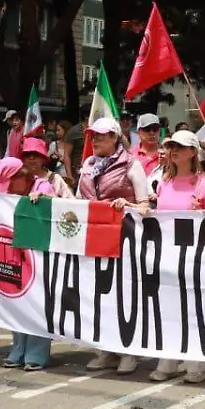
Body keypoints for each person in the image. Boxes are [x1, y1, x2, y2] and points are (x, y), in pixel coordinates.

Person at [78, 117, 151, 375]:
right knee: (100, 296)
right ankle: (106, 349)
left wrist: (127, 205)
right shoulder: (88, 164)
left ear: (115, 138)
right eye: (93, 136)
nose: (95, 140)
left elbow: (145, 206)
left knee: (125, 297)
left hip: (125, 243)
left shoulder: (132, 165)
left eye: (101, 135)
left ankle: (129, 351)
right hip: (94, 242)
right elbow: (79, 201)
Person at [148, 131, 205, 383]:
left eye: (179, 146)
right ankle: (168, 359)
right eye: (170, 146)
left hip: (193, 258)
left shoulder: (204, 185)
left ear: (192, 152)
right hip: (166, 256)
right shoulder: (163, 183)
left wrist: (203, 215)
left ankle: (197, 362)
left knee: (192, 310)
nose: (173, 151)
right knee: (168, 308)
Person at [0, 158, 58, 369]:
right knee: (17, 300)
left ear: (22, 176)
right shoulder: (8, 193)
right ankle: (18, 347)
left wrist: (45, 198)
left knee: (38, 302)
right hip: (16, 252)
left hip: (39, 253)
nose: (8, 188)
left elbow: (56, 208)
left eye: (11, 182)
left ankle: (37, 352)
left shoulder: (43, 185)